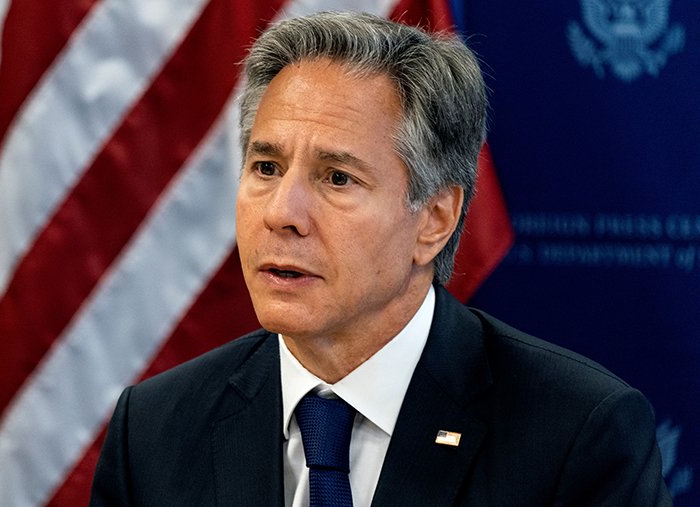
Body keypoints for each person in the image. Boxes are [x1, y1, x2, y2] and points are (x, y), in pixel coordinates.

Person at [90, 11, 670, 506]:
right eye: (266, 168)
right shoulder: (154, 431)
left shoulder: (577, 436)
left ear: (434, 220)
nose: (281, 213)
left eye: (337, 177)